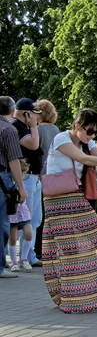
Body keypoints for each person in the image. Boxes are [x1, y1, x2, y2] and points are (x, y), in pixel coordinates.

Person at [43, 108, 97, 313]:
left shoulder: (87, 142)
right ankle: (71, 299)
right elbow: (87, 160)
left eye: (95, 132)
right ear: (77, 125)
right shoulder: (61, 138)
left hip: (76, 197)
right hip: (57, 200)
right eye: (89, 131)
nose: (91, 136)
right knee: (69, 251)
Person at [12, 98, 43, 267]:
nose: (36, 118)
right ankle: (23, 256)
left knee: (35, 219)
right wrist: (33, 127)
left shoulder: (22, 126)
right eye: (34, 114)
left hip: (35, 177)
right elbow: (33, 144)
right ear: (26, 114)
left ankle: (29, 254)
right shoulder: (17, 126)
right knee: (26, 219)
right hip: (27, 177)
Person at [0, 96, 28, 278]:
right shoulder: (8, 129)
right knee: (2, 224)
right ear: (12, 111)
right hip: (2, 178)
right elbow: (14, 160)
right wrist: (21, 187)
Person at [34, 99, 61, 259]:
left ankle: (38, 249)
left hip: (40, 176)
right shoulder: (56, 130)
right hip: (54, 177)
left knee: (39, 216)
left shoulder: (37, 130)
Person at [8, 160, 34, 271]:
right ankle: (14, 262)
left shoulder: (23, 185)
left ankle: (23, 258)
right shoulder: (9, 183)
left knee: (29, 233)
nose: (24, 176)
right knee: (13, 239)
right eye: (22, 173)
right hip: (12, 214)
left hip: (23, 213)